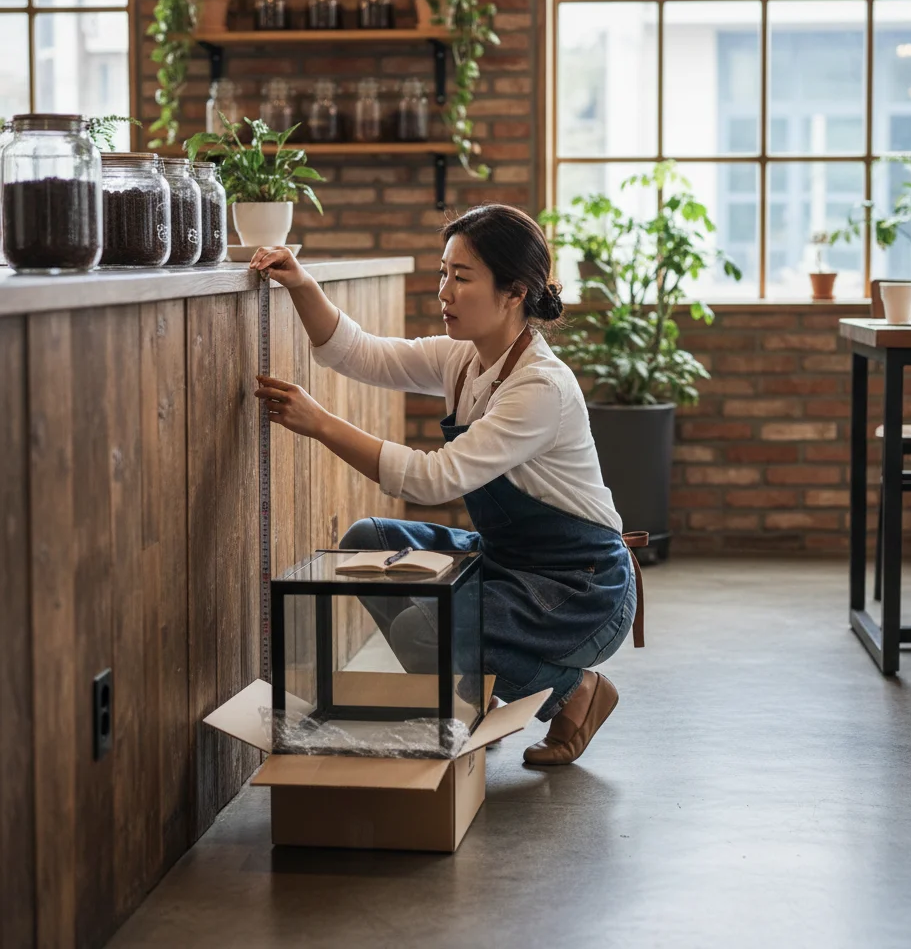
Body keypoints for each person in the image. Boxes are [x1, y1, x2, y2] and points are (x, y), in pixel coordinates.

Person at [251, 204, 637, 765]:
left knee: (421, 629)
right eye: (442, 273)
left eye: (462, 277)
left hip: (579, 586)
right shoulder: (463, 360)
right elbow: (358, 352)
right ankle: (476, 700)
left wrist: (321, 425)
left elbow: (434, 479)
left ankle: (575, 693)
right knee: (365, 543)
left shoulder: (539, 388)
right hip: (508, 561)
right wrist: (301, 283)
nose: (444, 292)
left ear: (514, 292)